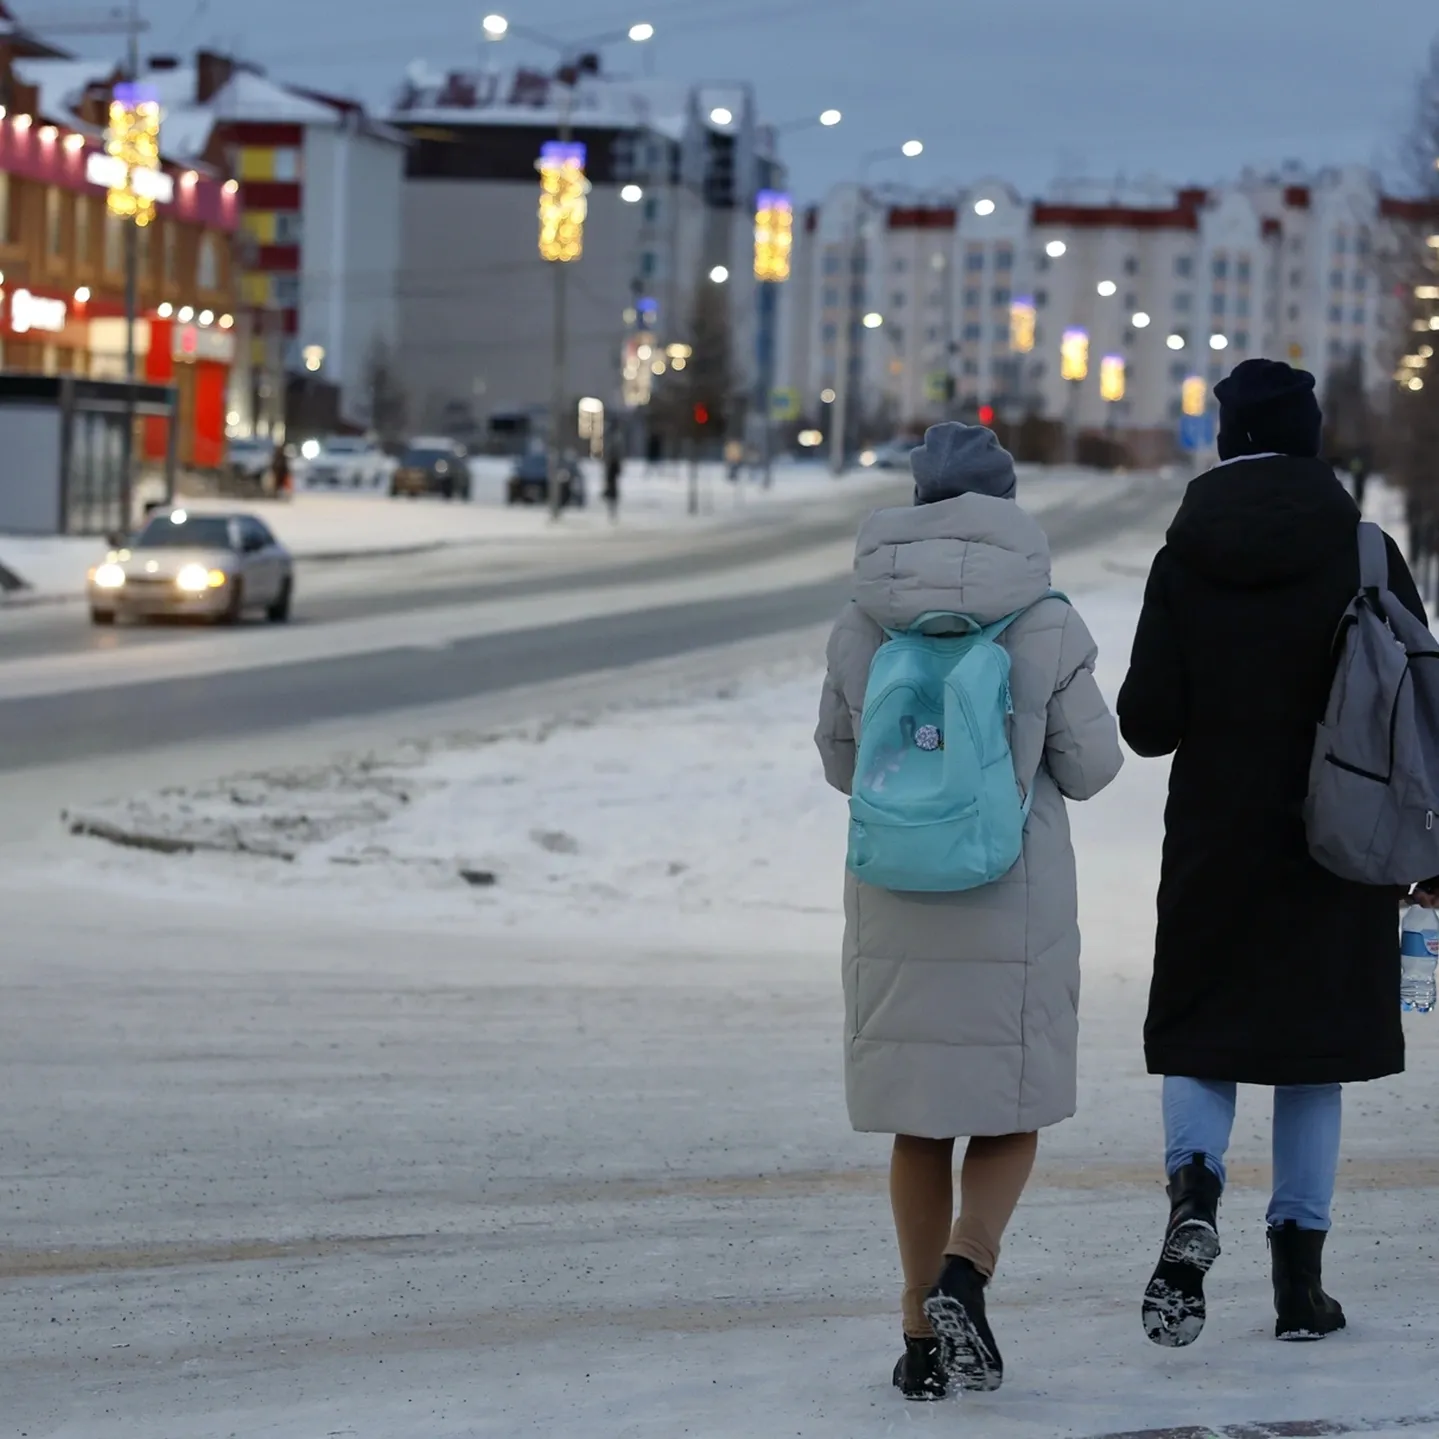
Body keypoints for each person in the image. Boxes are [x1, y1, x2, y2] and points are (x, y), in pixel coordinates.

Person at [1117, 359, 1429, 1349]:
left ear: (1223, 439)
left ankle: (1192, 1198)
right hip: (1342, 837)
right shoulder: (1365, 550)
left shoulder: (1184, 551)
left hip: (1214, 834)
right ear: (1307, 438)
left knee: (1204, 1030)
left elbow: (1146, 722)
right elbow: (1419, 709)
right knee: (1311, 1056)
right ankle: (1299, 1284)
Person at [815, 422, 1124, 1400]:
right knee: (1009, 1106)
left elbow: (837, 760)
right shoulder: (1043, 618)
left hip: (896, 891)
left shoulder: (861, 621)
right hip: (1009, 896)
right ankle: (966, 1267)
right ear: (1002, 505)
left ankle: (916, 1337)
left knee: (920, 1121)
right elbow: (1090, 765)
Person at [603, 450, 622, 522]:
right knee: (611, 499)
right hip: (611, 483)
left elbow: (616, 472)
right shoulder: (611, 463)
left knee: (612, 499)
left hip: (612, 483)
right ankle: (612, 513)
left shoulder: (611, 463)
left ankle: (612, 513)